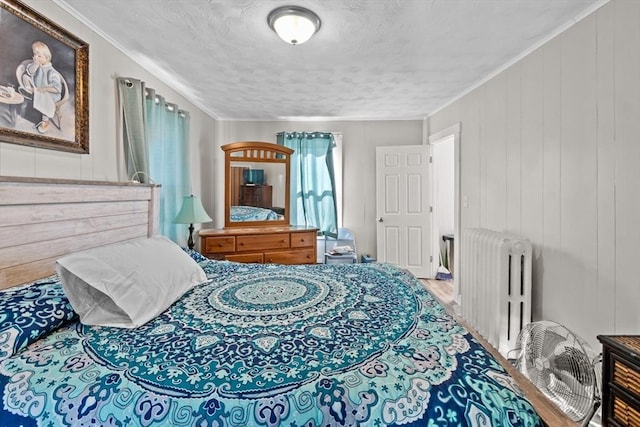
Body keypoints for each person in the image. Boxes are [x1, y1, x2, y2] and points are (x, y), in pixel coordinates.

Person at [17, 41, 63, 134]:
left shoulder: (51, 72)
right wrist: (35, 64)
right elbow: (30, 72)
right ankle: (29, 90)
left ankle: (45, 120)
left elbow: (57, 88)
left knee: (45, 99)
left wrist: (44, 89)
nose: (36, 58)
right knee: (25, 76)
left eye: (39, 56)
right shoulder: (37, 65)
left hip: (50, 92)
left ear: (47, 58)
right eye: (35, 55)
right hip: (36, 87)